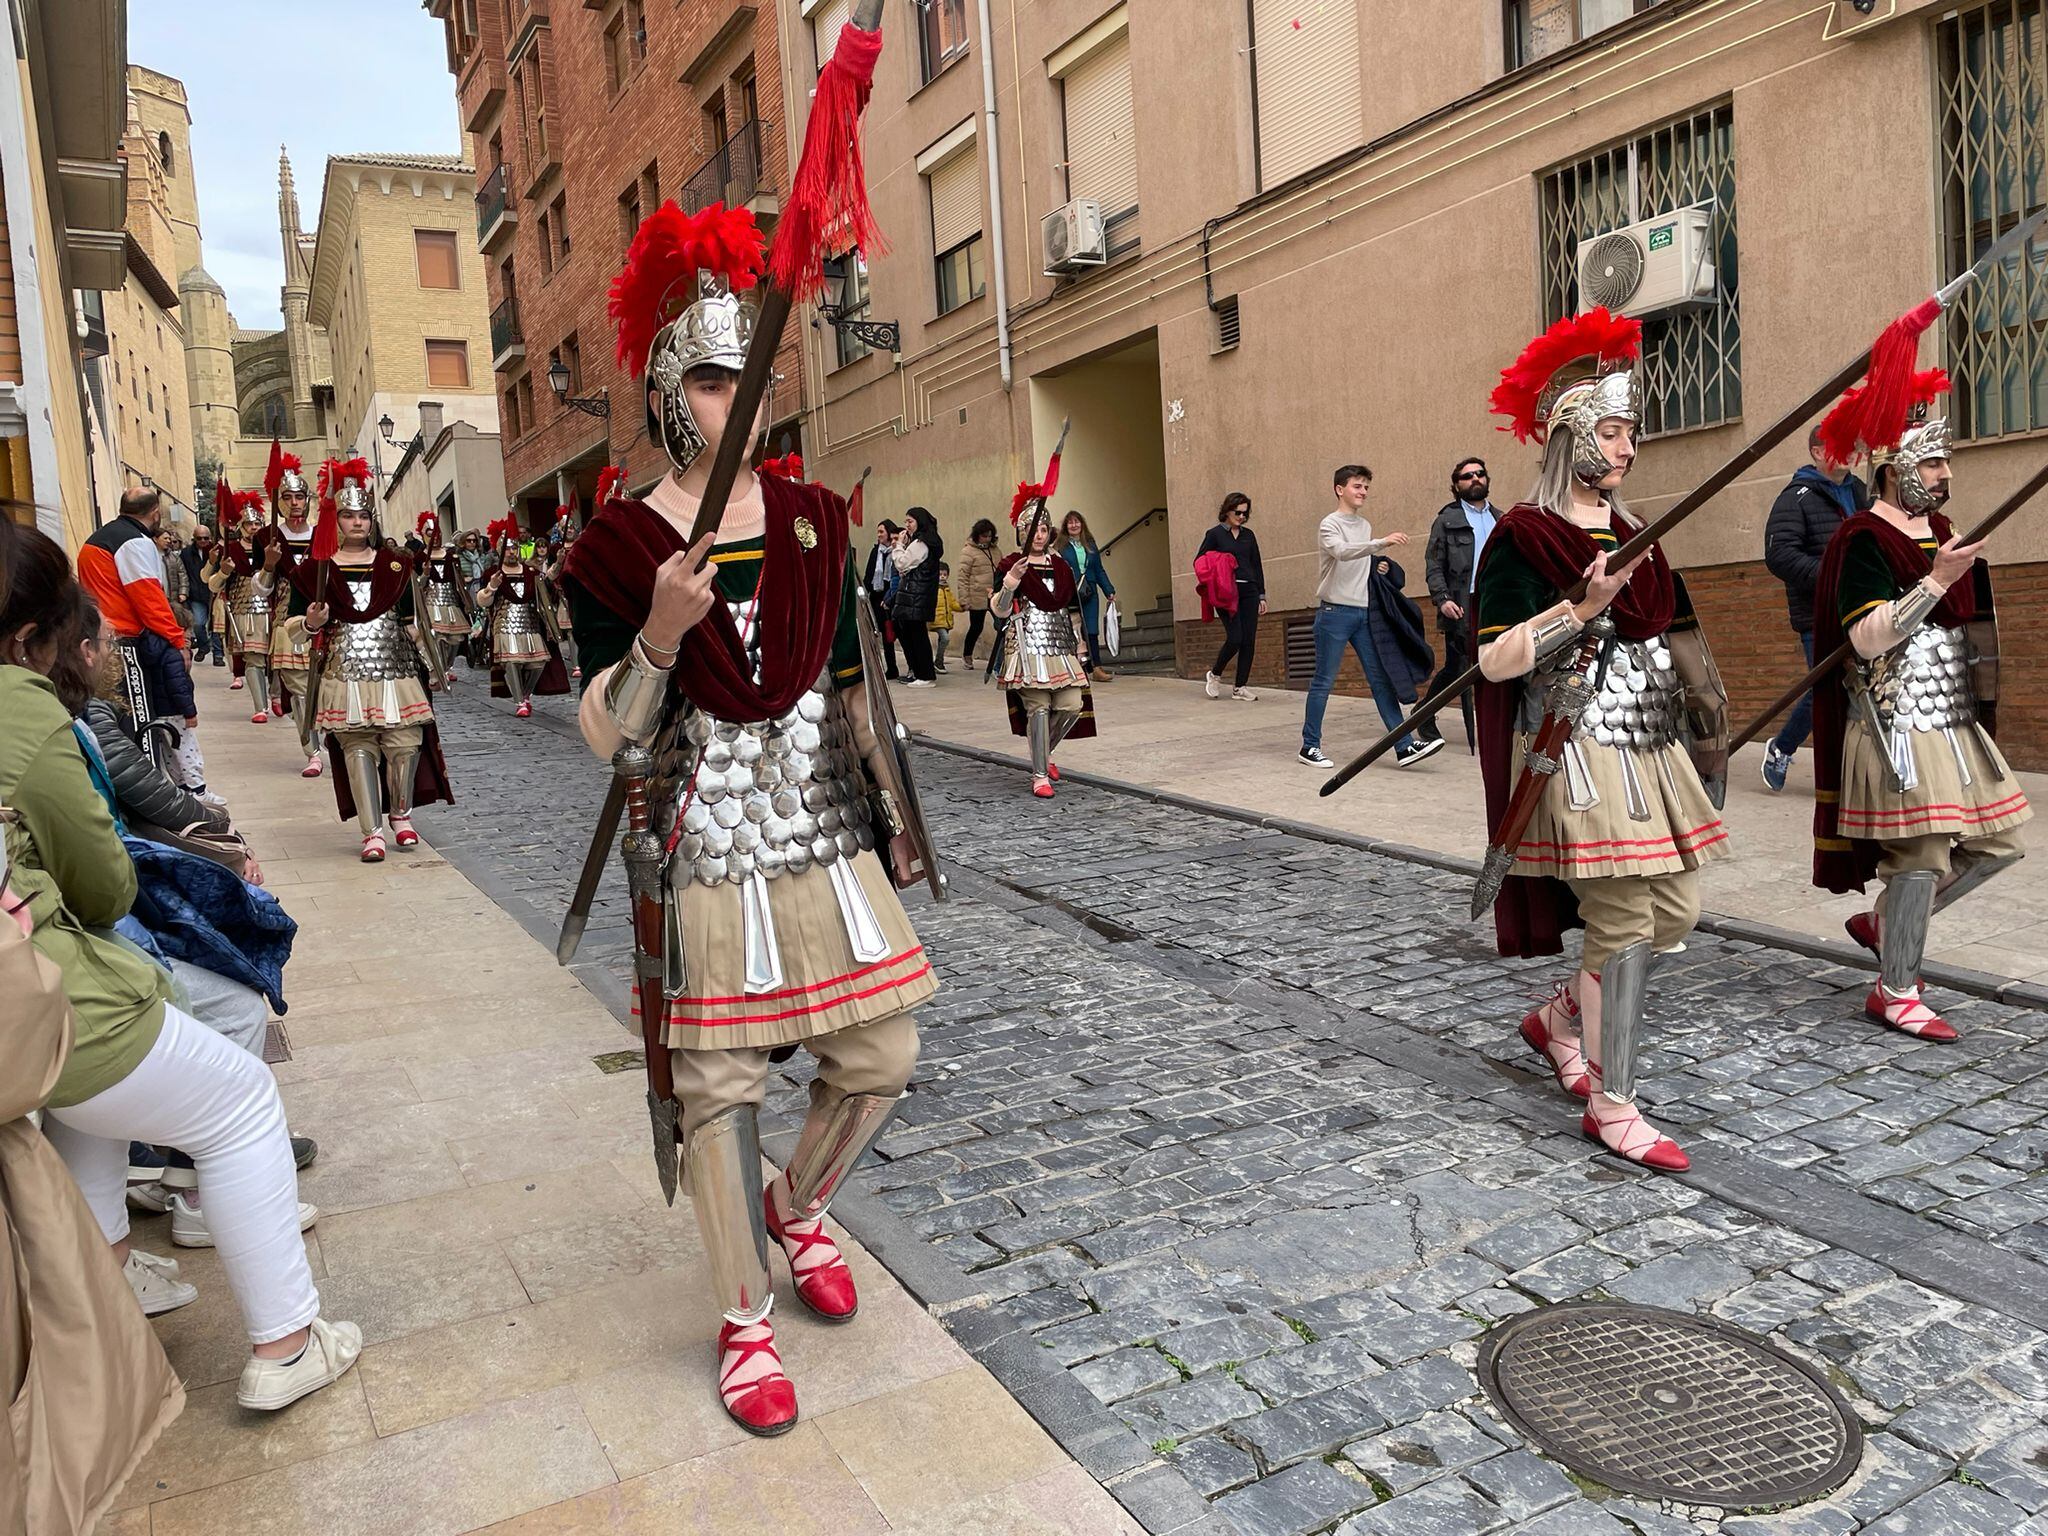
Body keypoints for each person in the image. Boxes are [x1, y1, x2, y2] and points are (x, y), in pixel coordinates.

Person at [562, 200, 936, 1437]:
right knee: (719, 1085)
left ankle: (803, 1205)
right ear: (674, 395)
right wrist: (662, 633)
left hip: (818, 823)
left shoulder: (816, 518)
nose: (744, 402)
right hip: (703, 832)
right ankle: (741, 1319)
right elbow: (607, 733)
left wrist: (894, 805)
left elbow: (841, 686)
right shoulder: (615, 546)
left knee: (882, 1053)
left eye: (759, 379)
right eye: (718, 381)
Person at [0, 519, 360, 1411]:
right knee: (240, 1100)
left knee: (91, 1114)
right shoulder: (22, 708)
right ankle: (286, 1342)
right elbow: (103, 881)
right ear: (27, 642)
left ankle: (112, 1282)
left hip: (33, 1007)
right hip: (35, 990)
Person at [1474, 308, 1729, 1173]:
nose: (1625, 449)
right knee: (1622, 920)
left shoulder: (1635, 538)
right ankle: (1615, 1104)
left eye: (1630, 434)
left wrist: (1709, 726)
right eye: (1612, 432)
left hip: (1648, 746)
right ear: (1570, 437)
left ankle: (1559, 1020)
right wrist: (1576, 611)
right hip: (1575, 744)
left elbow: (1674, 635)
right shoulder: (1523, 535)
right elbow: (1497, 659)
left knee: (1679, 910)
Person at [1810, 365, 2028, 1042]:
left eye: (1945, 461)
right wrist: (1935, 581)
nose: (1943, 475)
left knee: (1998, 845)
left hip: (1951, 719)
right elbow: (1868, 638)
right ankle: (1896, 988)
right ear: (1893, 466)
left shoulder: (1944, 530)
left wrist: (1946, 570)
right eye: (1931, 462)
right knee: (1920, 857)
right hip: (1892, 721)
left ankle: (1887, 926)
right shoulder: (1862, 539)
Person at [0, 799, 185, 1532]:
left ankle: (112, 1264)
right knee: (241, 1100)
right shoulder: (34, 718)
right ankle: (286, 1342)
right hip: (65, 1003)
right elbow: (25, 1043)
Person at [293, 459, 457, 861]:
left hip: (395, 668)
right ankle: (372, 832)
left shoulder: (395, 564)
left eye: (363, 515)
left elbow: (410, 621)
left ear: (372, 520)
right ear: (336, 521)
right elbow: (294, 627)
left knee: (404, 742)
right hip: (343, 669)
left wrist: (428, 656)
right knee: (358, 746)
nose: (356, 522)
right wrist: (311, 623)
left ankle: (402, 816)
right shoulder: (317, 568)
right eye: (347, 515)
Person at [1298, 468, 1445, 770]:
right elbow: (1341, 552)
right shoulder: (1330, 524)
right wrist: (1380, 544)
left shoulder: (1364, 525)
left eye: (1366, 487)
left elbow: (1359, 560)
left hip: (1364, 613)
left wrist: (1377, 566)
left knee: (1380, 681)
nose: (1363, 491)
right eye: (1357, 486)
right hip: (1334, 614)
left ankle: (1404, 747)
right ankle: (1309, 746)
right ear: (1340, 489)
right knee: (1323, 681)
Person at [78, 487, 207, 793]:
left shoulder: (100, 538)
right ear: (155, 513)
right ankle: (150, 793)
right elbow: (149, 598)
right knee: (139, 723)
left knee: (114, 723)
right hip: (124, 646)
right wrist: (178, 640)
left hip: (101, 640)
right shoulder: (134, 542)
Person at [1761, 428, 1869, 792]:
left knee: (1863, 684)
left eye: (1855, 447)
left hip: (1864, 606)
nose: (1854, 454)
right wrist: (1829, 576)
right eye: (1844, 446)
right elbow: (1779, 555)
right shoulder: (1797, 498)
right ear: (1818, 452)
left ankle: (1859, 766)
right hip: (1818, 612)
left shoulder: (1859, 492)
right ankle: (1782, 748)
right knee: (1826, 686)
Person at [994, 505, 1096, 798]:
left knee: (1072, 704)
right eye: (1032, 529)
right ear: (1021, 532)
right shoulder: (1011, 564)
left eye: (1042, 529)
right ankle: (1040, 776)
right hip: (1027, 645)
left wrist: (1080, 643)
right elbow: (1000, 610)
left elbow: (1071, 607)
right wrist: (1011, 580)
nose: (1038, 536)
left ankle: (1043, 750)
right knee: (1038, 709)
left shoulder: (1062, 565)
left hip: (1060, 645)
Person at [1424, 457, 1497, 752]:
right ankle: (1424, 714)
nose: (1475, 479)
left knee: (1497, 664)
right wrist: (1443, 599)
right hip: (1462, 602)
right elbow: (1433, 564)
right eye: (1467, 476)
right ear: (1457, 485)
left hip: (1495, 602)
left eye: (1480, 474)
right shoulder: (1447, 520)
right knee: (1457, 668)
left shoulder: (1502, 519)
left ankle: (1496, 724)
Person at [257, 452, 322, 774]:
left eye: (300, 496)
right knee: (298, 692)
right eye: (288, 497)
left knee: (327, 688)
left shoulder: (325, 535)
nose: (295, 502)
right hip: (287, 621)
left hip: (325, 622)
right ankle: (313, 752)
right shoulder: (268, 538)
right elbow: (261, 589)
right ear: (278, 501)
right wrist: (269, 564)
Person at [480, 517, 570, 718]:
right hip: (504, 625)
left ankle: (526, 694)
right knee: (512, 662)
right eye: (508, 548)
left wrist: (559, 562)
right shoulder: (493, 574)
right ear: (501, 550)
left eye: (515, 548)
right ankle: (519, 701)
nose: (512, 552)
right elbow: (483, 601)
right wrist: (492, 586)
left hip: (530, 624)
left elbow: (548, 581)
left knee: (538, 663)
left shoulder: (530, 571)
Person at [206, 488, 276, 713]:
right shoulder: (231, 549)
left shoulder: (270, 548)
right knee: (254, 659)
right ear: (241, 526)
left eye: (257, 524)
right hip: (244, 612)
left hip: (272, 609)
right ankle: (260, 707)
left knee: (274, 660)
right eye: (249, 524)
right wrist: (223, 571)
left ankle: (275, 696)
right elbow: (212, 584)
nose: (254, 528)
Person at [1198, 493, 1264, 700]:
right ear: (1227, 511)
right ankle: (1215, 673)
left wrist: (1262, 595)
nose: (1241, 517)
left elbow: (1256, 565)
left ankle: (1240, 687)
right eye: (1238, 512)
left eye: (1245, 513)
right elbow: (1200, 561)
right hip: (1227, 593)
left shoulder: (1249, 535)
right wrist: (1221, 563)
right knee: (1236, 637)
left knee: (1249, 641)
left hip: (1250, 592)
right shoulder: (1214, 535)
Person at [415, 509, 474, 685]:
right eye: (430, 533)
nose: (435, 536)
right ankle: (439, 668)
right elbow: (416, 584)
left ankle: (447, 666)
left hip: (450, 602)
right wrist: (424, 574)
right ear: (422, 534)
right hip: (431, 601)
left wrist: (466, 600)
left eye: (437, 533)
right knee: (437, 636)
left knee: (455, 639)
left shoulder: (450, 556)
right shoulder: (419, 558)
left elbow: (459, 580)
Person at [1058, 511, 1117, 682]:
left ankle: (1096, 668)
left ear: (1082, 524)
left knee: (1091, 629)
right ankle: (1077, 668)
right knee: (1075, 629)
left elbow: (1099, 569)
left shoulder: (1090, 543)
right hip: (1071, 592)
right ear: (1065, 527)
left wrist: (1109, 590)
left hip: (1089, 590)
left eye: (1077, 522)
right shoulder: (1061, 546)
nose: (1074, 525)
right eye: (1070, 523)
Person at [890, 506, 943, 686]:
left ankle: (925, 675)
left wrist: (898, 546)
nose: (907, 525)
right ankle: (921, 673)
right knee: (915, 635)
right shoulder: (926, 541)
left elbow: (902, 563)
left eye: (910, 521)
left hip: (916, 596)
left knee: (917, 636)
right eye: (906, 521)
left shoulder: (921, 543)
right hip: (919, 596)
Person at [956, 518, 999, 667]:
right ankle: (967, 654)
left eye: (989, 536)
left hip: (995, 595)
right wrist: (964, 600)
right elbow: (962, 577)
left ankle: (999, 659)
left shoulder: (995, 550)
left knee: (1001, 626)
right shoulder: (968, 551)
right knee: (976, 627)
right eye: (984, 536)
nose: (987, 539)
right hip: (977, 596)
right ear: (977, 535)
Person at [182, 521, 225, 665]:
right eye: (199, 538)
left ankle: (218, 655)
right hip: (196, 595)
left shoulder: (218, 551)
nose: (203, 541)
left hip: (215, 594)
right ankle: (203, 646)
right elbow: (183, 574)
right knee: (198, 624)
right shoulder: (186, 553)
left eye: (206, 538)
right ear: (194, 538)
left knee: (216, 626)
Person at [864, 519, 902, 680]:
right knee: (877, 633)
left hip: (891, 597)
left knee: (891, 634)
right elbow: (869, 574)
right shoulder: (876, 552)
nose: (879, 535)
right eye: (878, 532)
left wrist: (889, 598)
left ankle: (893, 668)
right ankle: (881, 668)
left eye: (881, 532)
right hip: (876, 598)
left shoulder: (896, 552)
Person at [930, 561, 959, 673]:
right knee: (945, 638)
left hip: (946, 620)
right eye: (940, 574)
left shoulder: (947, 590)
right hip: (936, 620)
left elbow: (952, 603)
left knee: (942, 640)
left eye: (945, 574)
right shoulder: (933, 589)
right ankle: (938, 662)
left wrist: (962, 607)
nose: (942, 577)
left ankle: (939, 662)